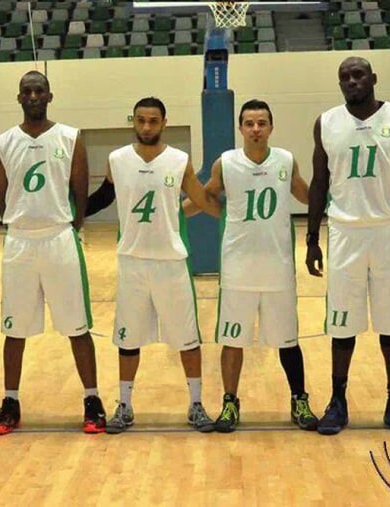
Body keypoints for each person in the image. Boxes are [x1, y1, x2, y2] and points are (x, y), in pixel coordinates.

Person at [305, 57, 390, 435]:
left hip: (387, 230)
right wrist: (312, 239)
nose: (351, 81)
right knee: (341, 325)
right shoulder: (326, 122)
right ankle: (338, 400)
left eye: (358, 74)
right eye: (345, 77)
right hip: (344, 232)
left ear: (373, 78)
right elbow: (319, 183)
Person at [87, 97, 221, 434]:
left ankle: (195, 405)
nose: (147, 127)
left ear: (164, 122)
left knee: (187, 339)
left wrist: (236, 219)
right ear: (134, 121)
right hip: (132, 261)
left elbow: (201, 199)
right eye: (142, 120)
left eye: (154, 121)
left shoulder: (178, 160)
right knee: (128, 340)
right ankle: (125, 406)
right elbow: (103, 196)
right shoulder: (117, 159)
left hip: (171, 262)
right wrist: (71, 214)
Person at [184, 99, 319, 433]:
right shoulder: (226, 163)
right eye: (249, 123)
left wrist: (339, 194)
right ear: (240, 128)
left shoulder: (285, 160)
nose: (256, 129)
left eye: (262, 123)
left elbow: (307, 195)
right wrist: (168, 215)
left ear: (271, 127)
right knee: (233, 340)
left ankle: (299, 400)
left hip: (278, 267)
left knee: (288, 340)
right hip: (237, 267)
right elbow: (205, 197)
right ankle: (230, 403)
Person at [0, 70, 106, 435]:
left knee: (77, 326)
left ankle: (92, 399)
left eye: (40, 90)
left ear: (50, 96)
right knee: (14, 329)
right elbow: (1, 198)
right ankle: (10, 401)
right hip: (20, 240)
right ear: (19, 97)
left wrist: (72, 224)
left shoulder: (70, 137)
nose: (34, 96)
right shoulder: (4, 141)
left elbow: (80, 190)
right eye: (28, 91)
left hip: (59, 238)